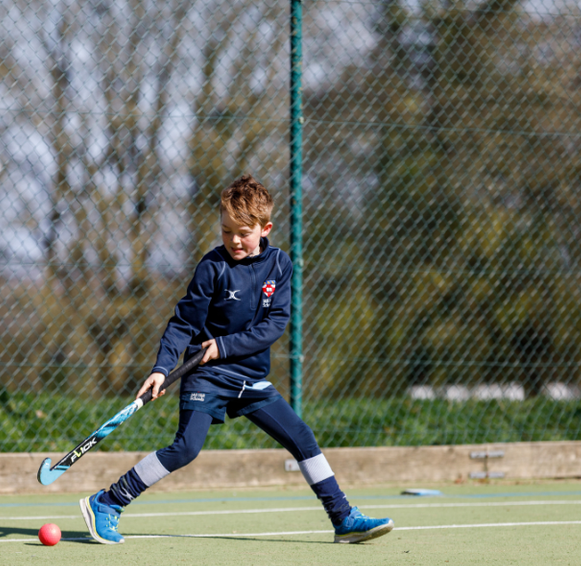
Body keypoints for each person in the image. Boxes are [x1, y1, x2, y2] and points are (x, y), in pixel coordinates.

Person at [79, 175, 393, 544]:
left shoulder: (280, 265)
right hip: (207, 375)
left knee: (302, 437)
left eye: (243, 233)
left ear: (265, 229)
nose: (234, 240)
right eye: (226, 231)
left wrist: (225, 346)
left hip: (250, 378)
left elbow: (274, 325)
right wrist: (161, 368)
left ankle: (342, 518)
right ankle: (108, 502)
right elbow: (183, 323)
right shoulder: (212, 266)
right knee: (186, 448)